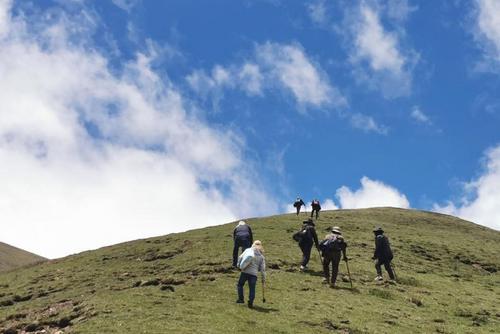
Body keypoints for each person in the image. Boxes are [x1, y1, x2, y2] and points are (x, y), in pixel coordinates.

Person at [236, 240, 266, 308]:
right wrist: (263, 279)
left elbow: (240, 257)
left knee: (240, 285)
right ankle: (250, 302)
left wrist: (239, 265)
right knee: (252, 288)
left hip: (245, 272)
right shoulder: (261, 257)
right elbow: (263, 269)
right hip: (254, 274)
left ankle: (241, 299)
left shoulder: (248, 250)